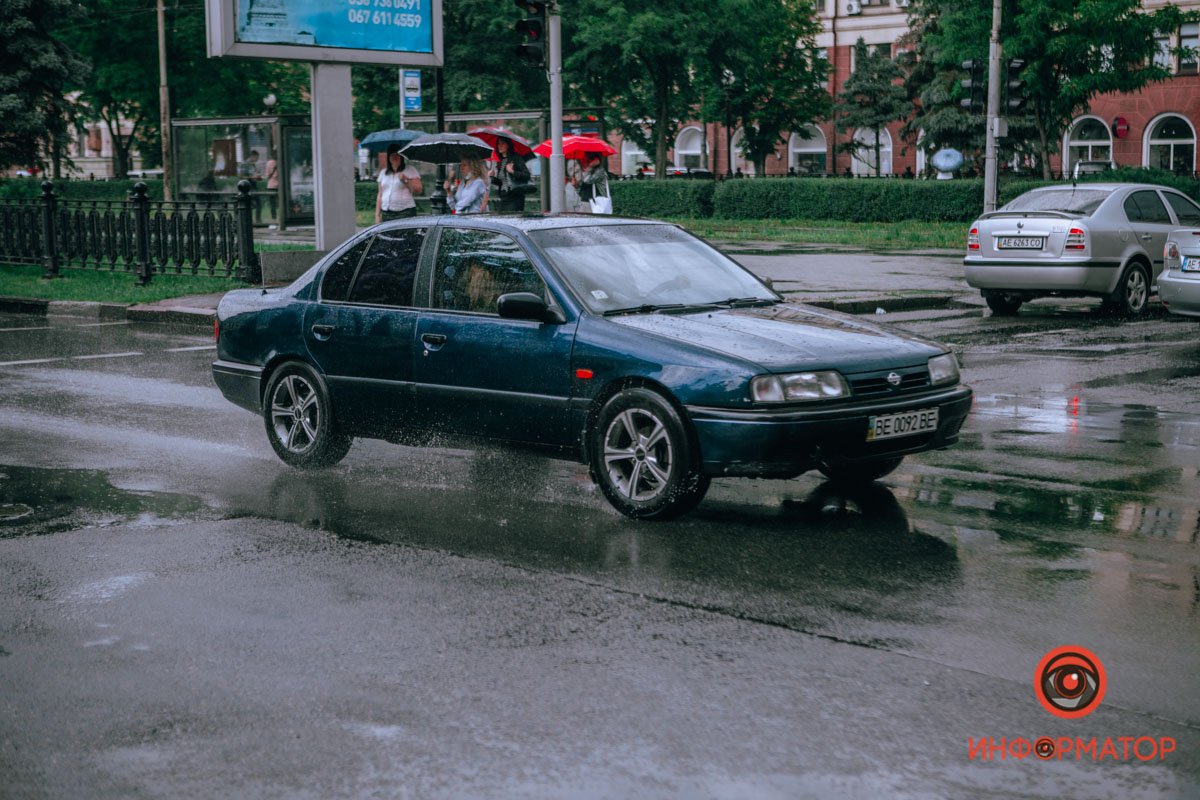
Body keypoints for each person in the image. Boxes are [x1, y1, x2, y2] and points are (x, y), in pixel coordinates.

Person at [375, 143, 423, 223]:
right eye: (392, 155)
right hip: (387, 213)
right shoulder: (383, 173)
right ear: (389, 157)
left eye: (397, 154)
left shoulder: (410, 170)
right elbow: (380, 195)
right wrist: (377, 215)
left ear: (401, 156)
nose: (395, 157)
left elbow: (419, 190)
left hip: (405, 212)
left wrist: (405, 180)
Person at [491, 137, 533, 213]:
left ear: (508, 145)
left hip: (515, 197)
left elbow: (527, 175)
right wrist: (492, 178)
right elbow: (501, 182)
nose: (500, 146)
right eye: (498, 144)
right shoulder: (500, 161)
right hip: (503, 197)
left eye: (503, 143)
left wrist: (512, 171)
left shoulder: (516, 158)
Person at [263, 152, 280, 221]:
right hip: (279, 185)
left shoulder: (268, 163)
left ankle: (274, 217)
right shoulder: (279, 162)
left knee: (272, 203)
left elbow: (267, 175)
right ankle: (281, 216)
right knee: (281, 202)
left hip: (270, 185)